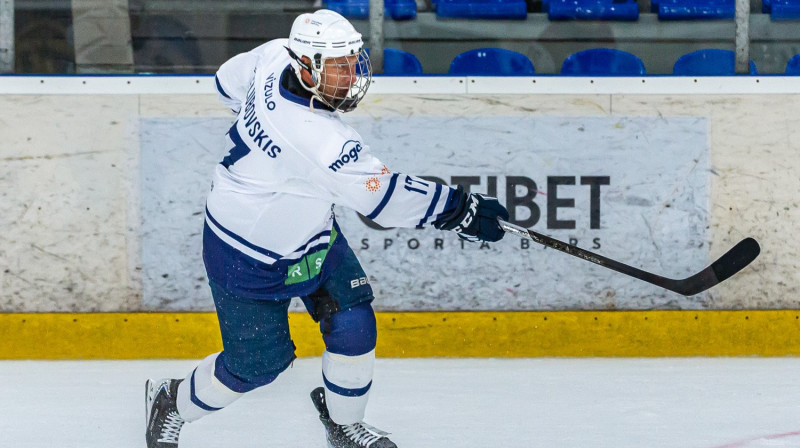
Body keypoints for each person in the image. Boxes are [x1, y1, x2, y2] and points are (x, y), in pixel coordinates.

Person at [145, 9, 509, 448]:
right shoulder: (318, 140)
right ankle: (171, 400)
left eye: (353, 60)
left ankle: (344, 424)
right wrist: (461, 210)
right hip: (245, 253)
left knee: (354, 324)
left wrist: (266, 136)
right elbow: (384, 199)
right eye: (338, 66)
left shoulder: (275, 55)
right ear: (306, 67)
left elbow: (226, 80)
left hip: (313, 233)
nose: (352, 74)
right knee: (257, 365)